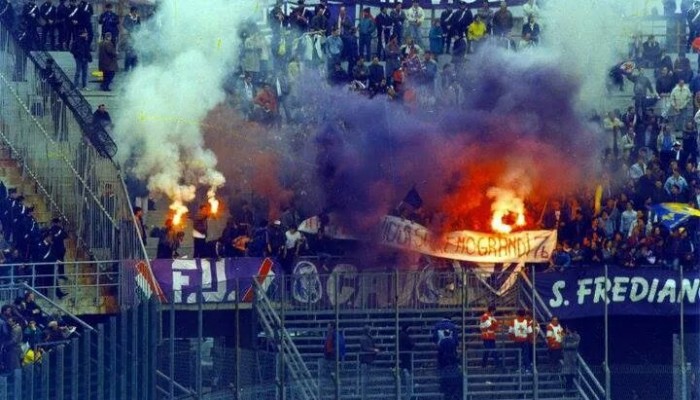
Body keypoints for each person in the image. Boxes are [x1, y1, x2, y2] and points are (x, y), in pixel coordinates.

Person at [437, 329, 461, 400]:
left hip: (444, 362)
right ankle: (453, 394)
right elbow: (455, 351)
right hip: (452, 361)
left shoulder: (442, 342)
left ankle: (447, 393)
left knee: (446, 379)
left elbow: (440, 352)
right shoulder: (452, 341)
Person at [359, 325, 380, 400]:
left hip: (369, 360)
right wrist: (374, 350)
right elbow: (365, 348)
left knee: (367, 376)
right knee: (365, 377)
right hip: (365, 360)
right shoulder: (364, 338)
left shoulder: (368, 337)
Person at [562, 327, 580, 393]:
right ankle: (567, 386)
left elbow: (576, 345)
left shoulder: (577, 336)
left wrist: (568, 345)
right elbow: (563, 345)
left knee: (572, 372)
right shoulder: (565, 336)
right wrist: (570, 345)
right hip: (566, 356)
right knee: (566, 372)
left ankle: (570, 386)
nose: (566, 329)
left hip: (573, 356)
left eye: (567, 328)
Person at [398, 324, 414, 400]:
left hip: (403, 356)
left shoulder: (401, 335)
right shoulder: (405, 336)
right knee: (406, 372)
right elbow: (411, 344)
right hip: (405, 357)